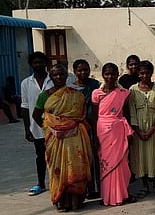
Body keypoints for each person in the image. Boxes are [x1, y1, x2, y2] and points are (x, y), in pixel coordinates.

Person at [32, 64, 92, 212]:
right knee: (57, 169)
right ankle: (61, 202)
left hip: (75, 138)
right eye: (55, 75)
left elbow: (81, 116)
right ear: (50, 77)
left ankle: (76, 202)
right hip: (55, 140)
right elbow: (35, 115)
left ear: (67, 76)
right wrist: (49, 127)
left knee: (75, 168)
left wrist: (67, 125)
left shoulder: (76, 95)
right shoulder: (44, 95)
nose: (58, 77)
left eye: (61, 74)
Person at [91, 63, 136, 206]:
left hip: (119, 132)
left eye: (113, 74)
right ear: (103, 75)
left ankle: (122, 195)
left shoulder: (123, 93)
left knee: (122, 164)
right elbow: (94, 117)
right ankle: (108, 197)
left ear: (117, 75)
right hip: (102, 132)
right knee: (106, 165)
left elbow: (126, 114)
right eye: (107, 74)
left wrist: (129, 132)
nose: (110, 77)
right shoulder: (96, 94)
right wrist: (95, 137)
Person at [129, 60, 155, 198]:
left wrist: (152, 129)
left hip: (154, 127)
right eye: (142, 73)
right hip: (139, 127)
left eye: (147, 72)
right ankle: (144, 185)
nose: (145, 75)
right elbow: (131, 111)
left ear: (151, 73)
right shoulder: (133, 89)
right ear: (138, 74)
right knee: (141, 156)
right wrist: (138, 131)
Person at [21, 51, 54, 196]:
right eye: (35, 62)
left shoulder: (54, 79)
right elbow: (25, 106)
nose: (38, 65)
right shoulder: (26, 83)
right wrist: (27, 129)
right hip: (37, 126)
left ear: (46, 63)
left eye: (41, 62)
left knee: (57, 155)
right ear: (31, 64)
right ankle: (41, 183)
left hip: (55, 126)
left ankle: (57, 182)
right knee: (40, 156)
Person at [69, 59, 101, 199]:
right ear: (75, 72)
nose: (83, 72)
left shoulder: (95, 85)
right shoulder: (71, 89)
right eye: (80, 70)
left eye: (86, 69)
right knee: (82, 158)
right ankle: (86, 189)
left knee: (95, 156)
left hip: (94, 124)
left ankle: (98, 188)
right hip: (78, 128)